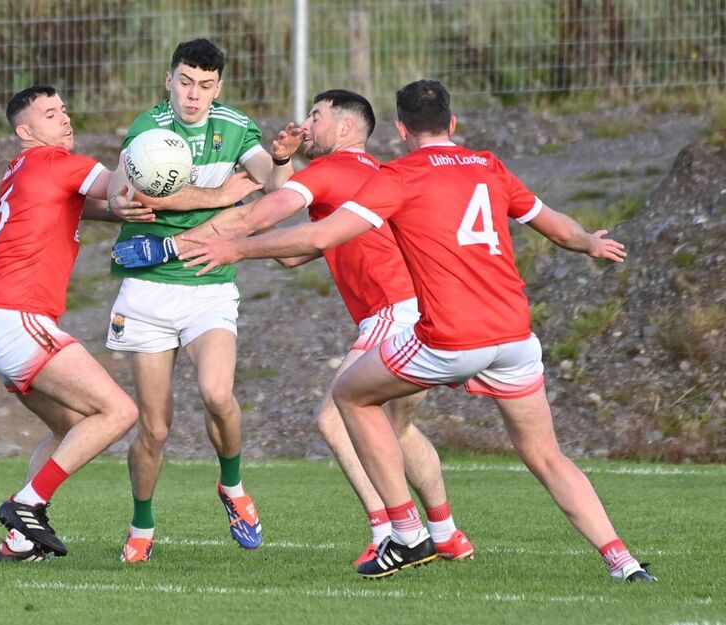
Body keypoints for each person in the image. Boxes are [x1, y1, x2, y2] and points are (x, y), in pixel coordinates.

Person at [180, 80, 656, 583]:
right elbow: (554, 224)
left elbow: (318, 235)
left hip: (448, 338)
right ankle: (623, 563)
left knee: (350, 397)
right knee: (544, 454)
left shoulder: (398, 176)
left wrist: (233, 249)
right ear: (453, 124)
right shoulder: (489, 166)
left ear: (402, 129)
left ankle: (404, 534)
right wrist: (588, 243)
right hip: (515, 336)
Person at [112, 89, 475, 565]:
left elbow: (252, 218)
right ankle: (446, 532)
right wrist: (278, 167)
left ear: (345, 129)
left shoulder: (332, 170)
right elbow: (290, 253)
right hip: (423, 313)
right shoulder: (377, 176)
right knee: (399, 430)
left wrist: (166, 249)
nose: (305, 124)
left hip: (393, 312)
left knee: (336, 417)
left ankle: (392, 532)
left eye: (316, 116)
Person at [106, 38, 301, 563]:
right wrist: (222, 194)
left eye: (205, 85)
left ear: (219, 87)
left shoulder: (236, 127)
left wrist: (280, 160)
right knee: (157, 427)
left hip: (209, 285)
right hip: (147, 286)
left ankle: (232, 486)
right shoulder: (149, 129)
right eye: (186, 82)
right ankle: (142, 523)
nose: (194, 95)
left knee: (218, 394)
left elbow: (270, 185)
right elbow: (147, 194)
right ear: (168, 79)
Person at [0, 84, 147, 562]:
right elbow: (123, 188)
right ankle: (25, 505)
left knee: (71, 426)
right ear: (26, 131)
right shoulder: (54, 161)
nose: (65, 119)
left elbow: (105, 206)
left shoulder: (25, 168)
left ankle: (19, 542)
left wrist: (122, 207)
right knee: (119, 412)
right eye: (51, 114)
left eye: (64, 110)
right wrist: (147, 146)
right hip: (16, 317)